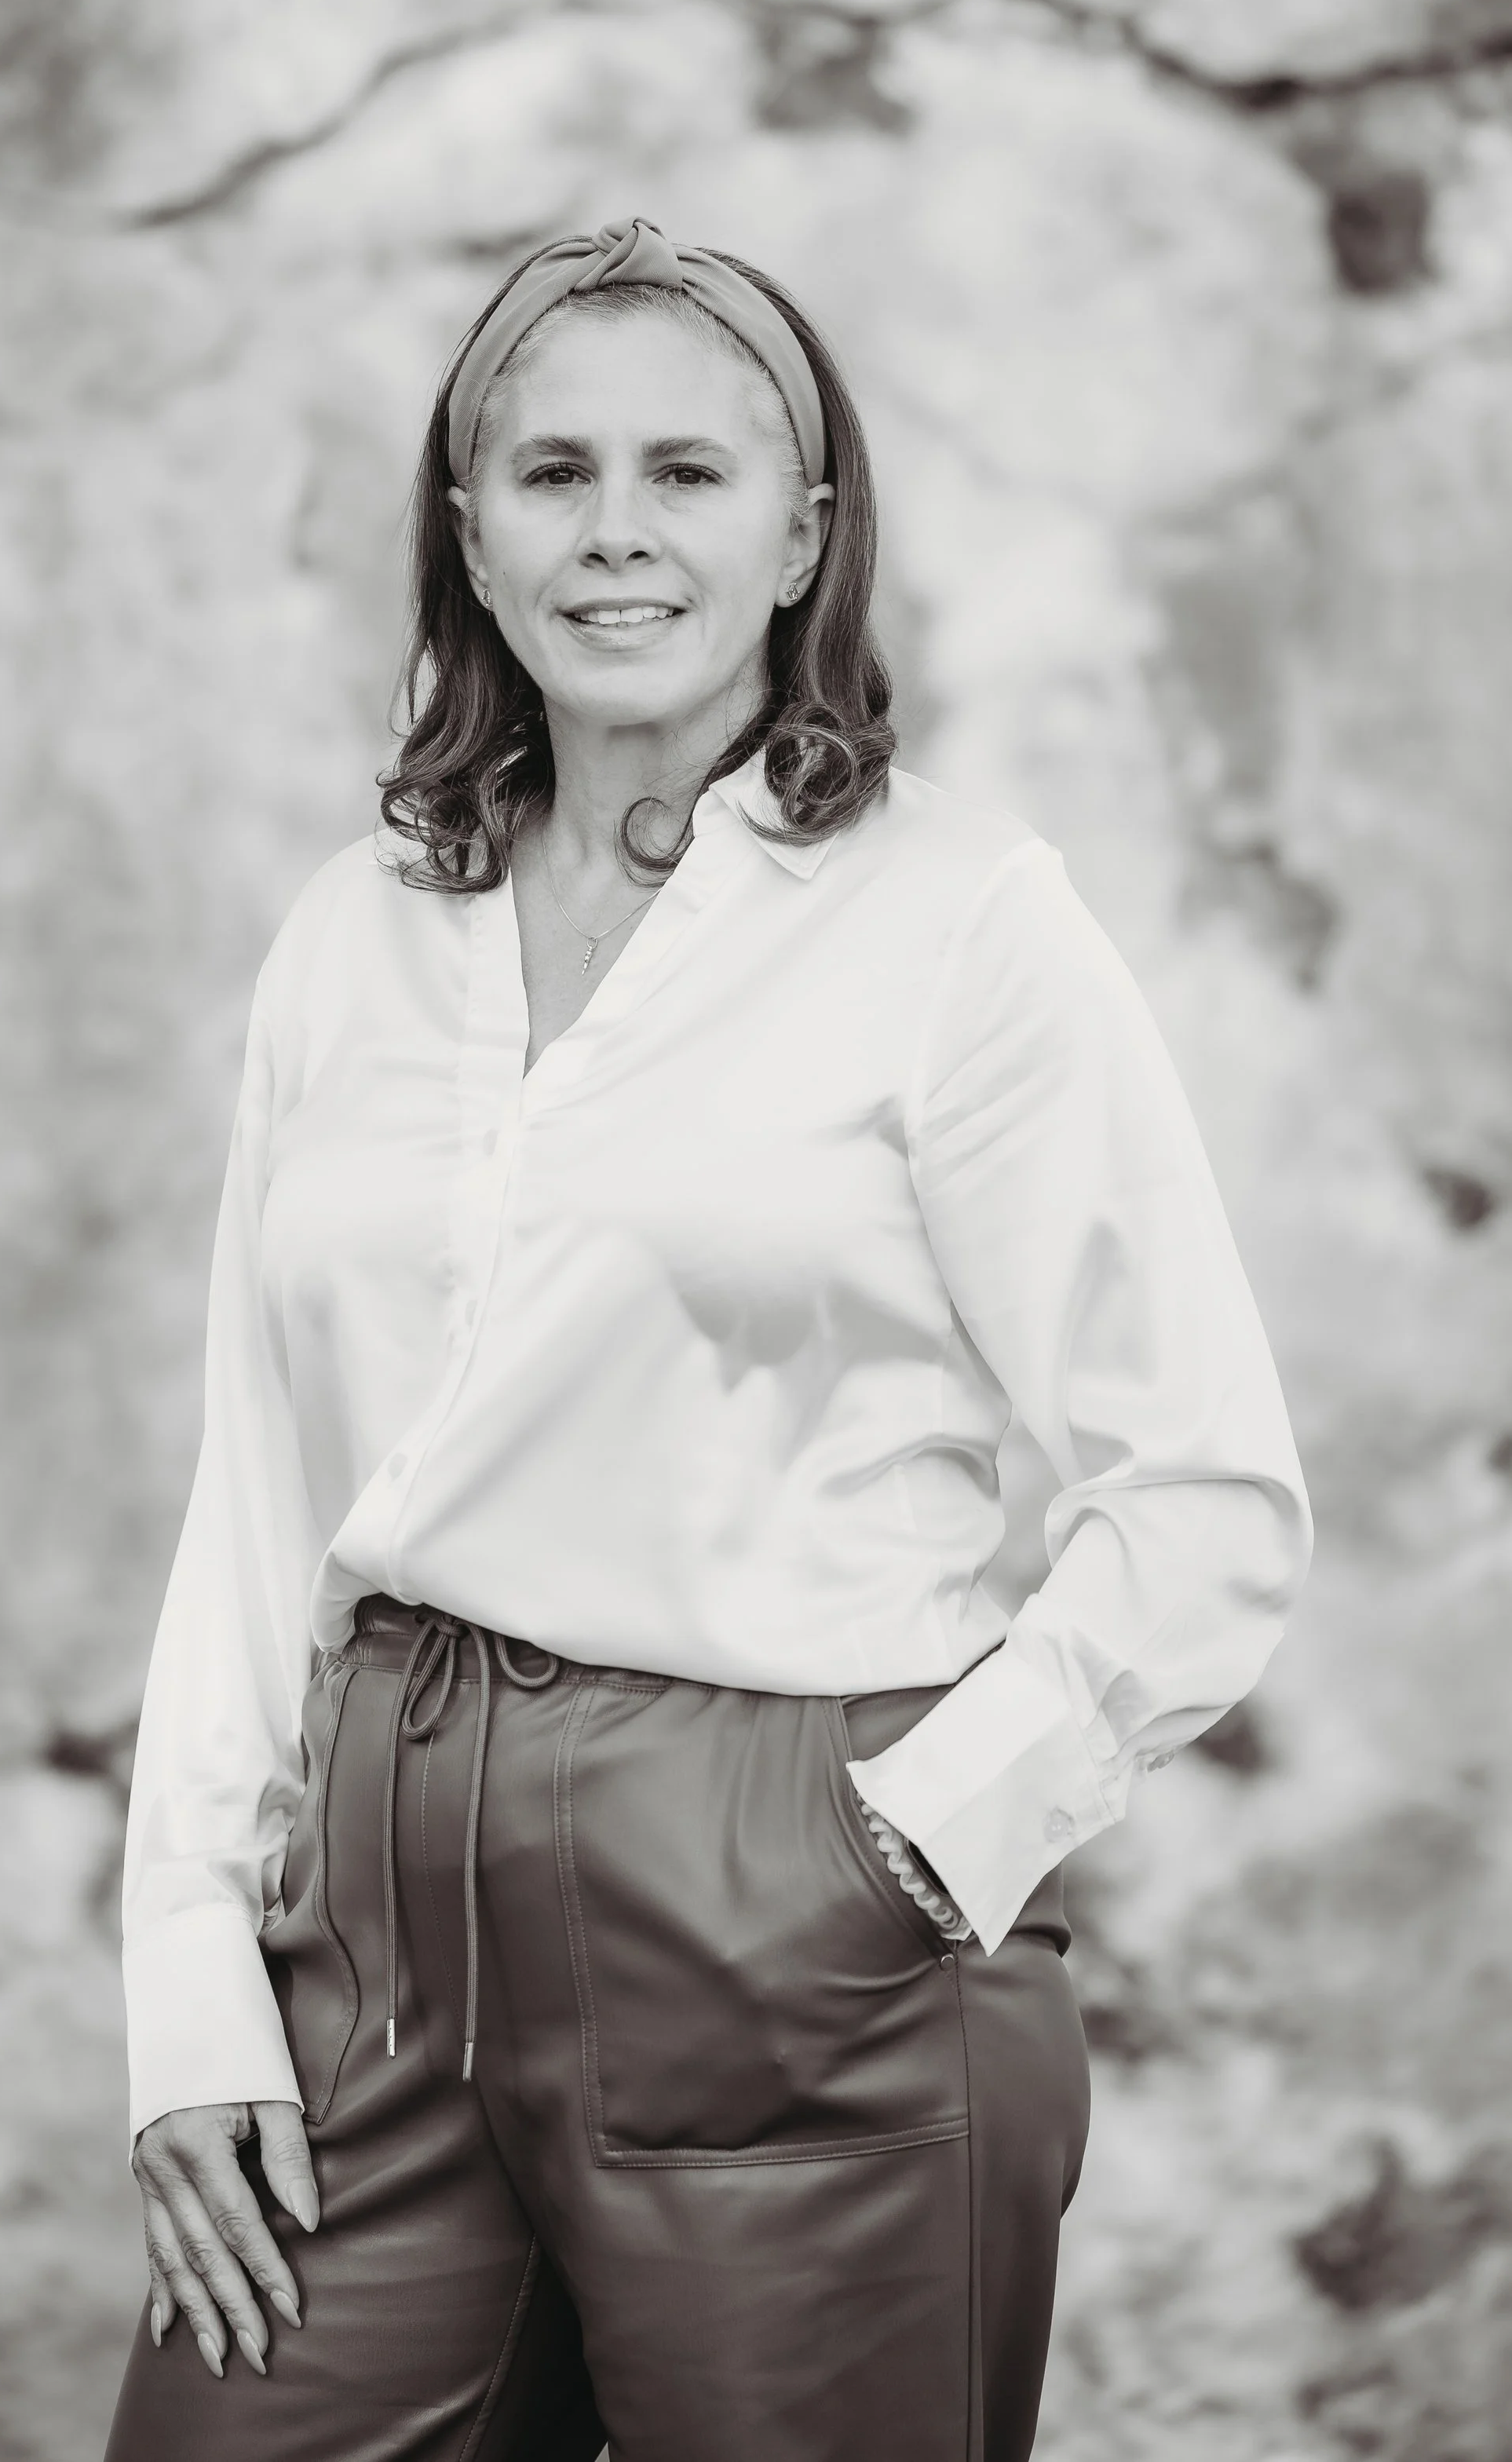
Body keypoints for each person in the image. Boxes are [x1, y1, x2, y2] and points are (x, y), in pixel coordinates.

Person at [101, 218, 1311, 2462]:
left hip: (791, 1908)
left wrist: (910, 1852)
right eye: (549, 473)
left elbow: (1205, 1494)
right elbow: (257, 1486)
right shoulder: (354, 938)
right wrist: (190, 1971)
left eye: (687, 471)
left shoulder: (958, 922)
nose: (617, 532)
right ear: (465, 529)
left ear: (802, 526)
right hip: (369, 1902)